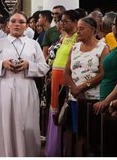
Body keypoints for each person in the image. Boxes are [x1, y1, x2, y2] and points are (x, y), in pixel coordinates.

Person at [0, 12, 49, 157]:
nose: (17, 24)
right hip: (3, 87)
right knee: (4, 124)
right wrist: (2, 64)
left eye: (21, 22)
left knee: (26, 125)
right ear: (8, 24)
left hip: (26, 87)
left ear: (26, 26)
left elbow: (44, 67)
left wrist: (28, 65)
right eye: (13, 21)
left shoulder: (33, 44)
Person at [64, 17, 109, 133]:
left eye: (82, 29)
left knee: (91, 133)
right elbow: (67, 72)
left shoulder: (103, 48)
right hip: (75, 96)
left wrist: (82, 87)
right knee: (76, 131)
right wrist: (74, 89)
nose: (78, 32)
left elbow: (103, 73)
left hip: (93, 99)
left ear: (93, 30)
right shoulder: (75, 47)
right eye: (77, 29)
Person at [45, 10, 79, 157]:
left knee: (62, 111)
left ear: (75, 22)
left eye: (65, 21)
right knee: (55, 108)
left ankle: (63, 149)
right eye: (61, 21)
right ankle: (53, 148)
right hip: (55, 77)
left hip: (65, 79)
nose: (61, 24)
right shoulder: (64, 37)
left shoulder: (78, 37)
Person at [93, 11, 117, 114]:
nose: (112, 27)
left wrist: (108, 101)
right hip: (107, 104)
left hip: (112, 106)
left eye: (114, 24)